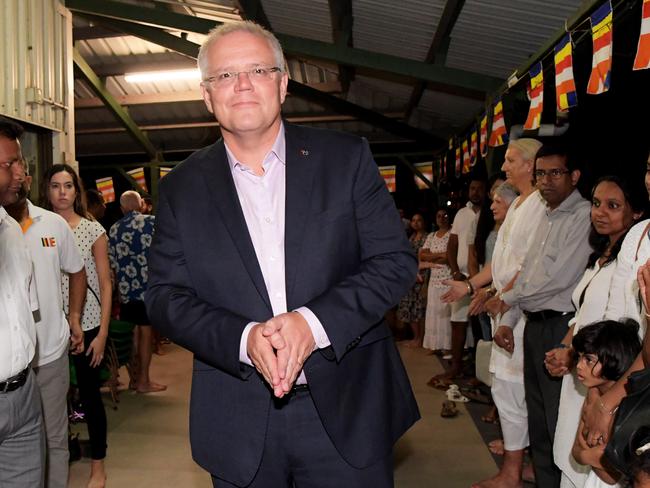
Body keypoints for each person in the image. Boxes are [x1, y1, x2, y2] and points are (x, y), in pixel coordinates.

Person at [145, 20, 419, 488]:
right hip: (238, 418)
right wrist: (243, 337)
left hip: (347, 408)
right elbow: (165, 297)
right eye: (225, 76)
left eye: (258, 69)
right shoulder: (180, 188)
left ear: (283, 82)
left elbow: (394, 262)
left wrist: (313, 324)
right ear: (207, 96)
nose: (243, 85)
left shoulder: (346, 158)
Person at [489, 143, 593, 487]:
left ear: (574, 176)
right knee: (538, 419)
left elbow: (557, 278)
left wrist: (504, 298)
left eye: (556, 173)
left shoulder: (581, 216)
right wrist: (508, 318)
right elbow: (529, 271)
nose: (546, 181)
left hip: (561, 326)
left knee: (557, 418)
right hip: (534, 324)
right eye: (541, 173)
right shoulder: (546, 215)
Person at [546, 176, 645, 488]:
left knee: (602, 467)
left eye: (613, 206)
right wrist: (569, 350)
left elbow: (625, 330)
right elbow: (585, 313)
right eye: (597, 204)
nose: (600, 212)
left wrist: (604, 398)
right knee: (570, 454)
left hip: (616, 375)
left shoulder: (631, 252)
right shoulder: (605, 254)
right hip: (590, 371)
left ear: (636, 212)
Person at [5, 157, 86, 488]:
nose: (13, 176)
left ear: (27, 175)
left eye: (16, 166)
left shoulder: (53, 224)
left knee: (54, 440)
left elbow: (77, 271)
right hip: (8, 368)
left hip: (50, 354)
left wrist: (75, 317)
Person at [41, 164, 111, 488]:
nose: (62, 192)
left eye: (68, 185)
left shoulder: (92, 229)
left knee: (90, 397)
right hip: (50, 325)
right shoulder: (35, 227)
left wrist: (103, 334)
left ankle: (98, 465)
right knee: (54, 399)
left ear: (76, 191)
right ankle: (57, 461)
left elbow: (106, 283)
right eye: (56, 186)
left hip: (90, 322)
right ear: (47, 191)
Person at [0, 116, 45, 487]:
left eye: (20, 162)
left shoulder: (13, 230)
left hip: (23, 395)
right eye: (9, 164)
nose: (21, 173)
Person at [570, 319, 642, 487]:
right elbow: (575, 451)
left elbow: (611, 477)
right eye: (579, 357)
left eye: (588, 359)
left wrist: (585, 454)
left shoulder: (623, 407)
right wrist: (588, 455)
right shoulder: (594, 395)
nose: (579, 366)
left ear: (614, 358)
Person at [108, 190, 166, 393]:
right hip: (148, 290)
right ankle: (144, 380)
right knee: (146, 332)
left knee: (132, 332)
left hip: (126, 292)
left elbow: (112, 264)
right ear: (141, 204)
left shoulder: (114, 230)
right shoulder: (152, 223)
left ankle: (133, 378)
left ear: (122, 208)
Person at [438, 176, 486, 381]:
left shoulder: (489, 213)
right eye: (472, 188)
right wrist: (456, 271)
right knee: (458, 324)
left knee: (480, 326)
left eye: (479, 188)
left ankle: (479, 370)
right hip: (462, 277)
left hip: (483, 278)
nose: (475, 192)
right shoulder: (461, 214)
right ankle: (455, 366)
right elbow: (452, 246)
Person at [419, 209, 452, 353]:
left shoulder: (452, 234)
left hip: (448, 279)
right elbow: (422, 255)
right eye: (438, 216)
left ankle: (448, 346)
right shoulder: (431, 236)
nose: (442, 218)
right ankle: (435, 345)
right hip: (433, 280)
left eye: (444, 215)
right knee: (435, 312)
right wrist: (438, 256)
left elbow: (449, 257)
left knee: (446, 314)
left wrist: (431, 256)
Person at [397, 213, 428, 347]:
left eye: (419, 220)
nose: (416, 223)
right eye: (414, 220)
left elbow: (426, 257)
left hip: (423, 274)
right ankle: (416, 337)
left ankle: (420, 339)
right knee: (409, 307)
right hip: (410, 277)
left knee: (420, 309)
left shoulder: (427, 237)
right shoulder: (411, 238)